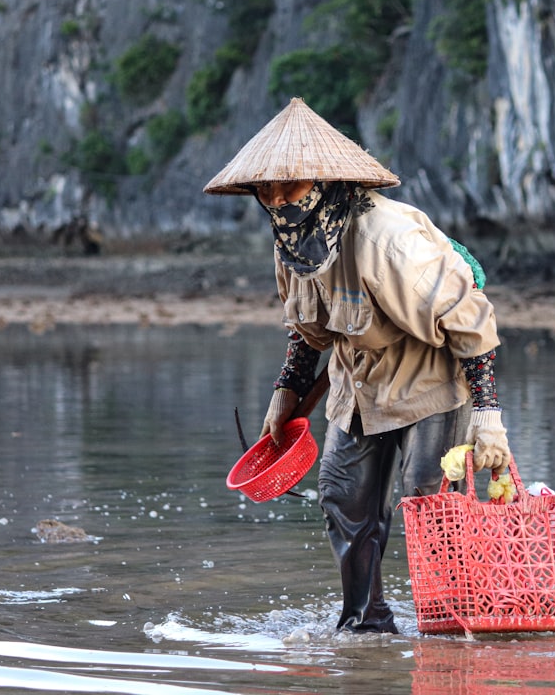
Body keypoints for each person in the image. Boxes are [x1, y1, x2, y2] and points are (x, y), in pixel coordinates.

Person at [203, 98, 513, 634]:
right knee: (342, 494)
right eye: (267, 189)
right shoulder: (291, 245)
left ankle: (454, 628)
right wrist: (286, 392)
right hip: (358, 383)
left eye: (291, 185)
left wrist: (488, 419)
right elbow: (309, 328)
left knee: (428, 505)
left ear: (324, 182)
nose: (278, 198)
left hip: (429, 379)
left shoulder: (386, 240)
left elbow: (471, 321)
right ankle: (364, 625)